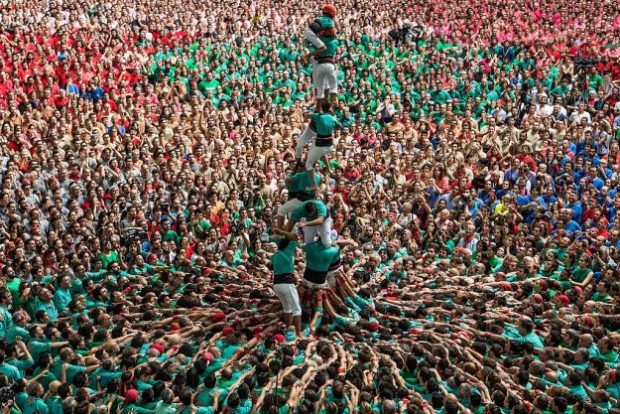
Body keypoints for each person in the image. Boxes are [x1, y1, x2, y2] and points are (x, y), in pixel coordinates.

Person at [303, 3, 339, 111]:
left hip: (319, 65)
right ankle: (331, 106)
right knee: (332, 85)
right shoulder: (334, 41)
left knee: (319, 88)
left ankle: (319, 108)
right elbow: (334, 34)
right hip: (329, 65)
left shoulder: (320, 37)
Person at [271, 238, 302, 336]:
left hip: (277, 285)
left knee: (287, 309)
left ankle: (289, 330)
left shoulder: (275, 255)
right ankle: (298, 334)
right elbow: (294, 237)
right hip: (287, 284)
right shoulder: (288, 252)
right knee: (297, 310)